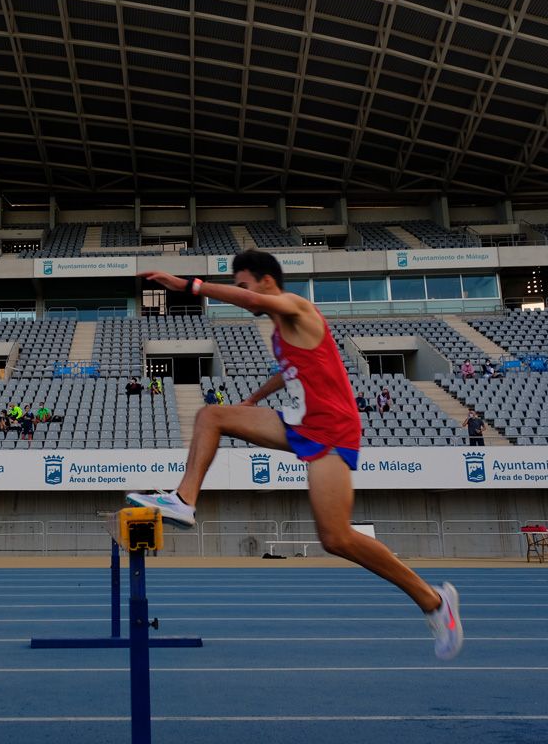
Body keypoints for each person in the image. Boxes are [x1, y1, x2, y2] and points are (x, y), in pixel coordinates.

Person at [125, 251, 463, 660]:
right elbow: (289, 371)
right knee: (210, 416)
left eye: (244, 283)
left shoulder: (296, 307)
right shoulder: (280, 333)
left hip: (331, 430)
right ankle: (183, 501)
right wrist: (253, 398)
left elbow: (252, 302)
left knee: (336, 538)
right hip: (300, 422)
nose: (243, 292)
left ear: (267, 281)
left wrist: (188, 287)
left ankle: (433, 600)